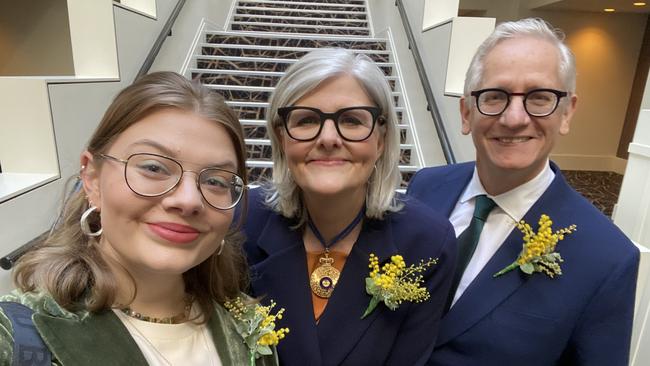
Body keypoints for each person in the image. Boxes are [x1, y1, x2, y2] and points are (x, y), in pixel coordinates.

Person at [0, 72, 277, 365]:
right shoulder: (17, 334)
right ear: (92, 178)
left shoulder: (246, 324)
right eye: (154, 167)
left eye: (217, 182)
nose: (188, 201)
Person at [407, 18, 639, 366]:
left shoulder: (607, 259)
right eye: (495, 96)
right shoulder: (426, 187)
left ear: (566, 112)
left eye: (539, 97)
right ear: (466, 111)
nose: (514, 118)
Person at [243, 48, 457, 366]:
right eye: (306, 120)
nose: (328, 138)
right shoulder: (240, 223)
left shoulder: (427, 243)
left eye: (352, 120)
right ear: (282, 136)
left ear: (381, 139)